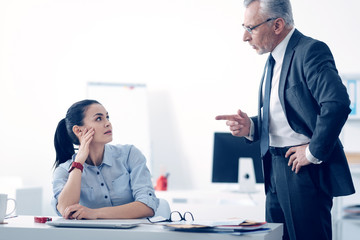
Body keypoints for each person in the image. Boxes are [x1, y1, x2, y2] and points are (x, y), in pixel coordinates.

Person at [216, 0, 355, 239]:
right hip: (274, 168)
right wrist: (252, 126)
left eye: (251, 28)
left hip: (302, 171)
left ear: (277, 25)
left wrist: (312, 151)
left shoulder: (310, 51)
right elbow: (286, 115)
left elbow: (337, 103)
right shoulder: (272, 60)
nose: (244, 37)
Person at [52, 99, 159, 220]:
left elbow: (147, 205)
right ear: (78, 130)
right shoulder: (63, 170)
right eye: (99, 118)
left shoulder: (130, 155)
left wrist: (95, 213)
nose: (108, 123)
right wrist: (78, 163)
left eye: (107, 117)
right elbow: (66, 211)